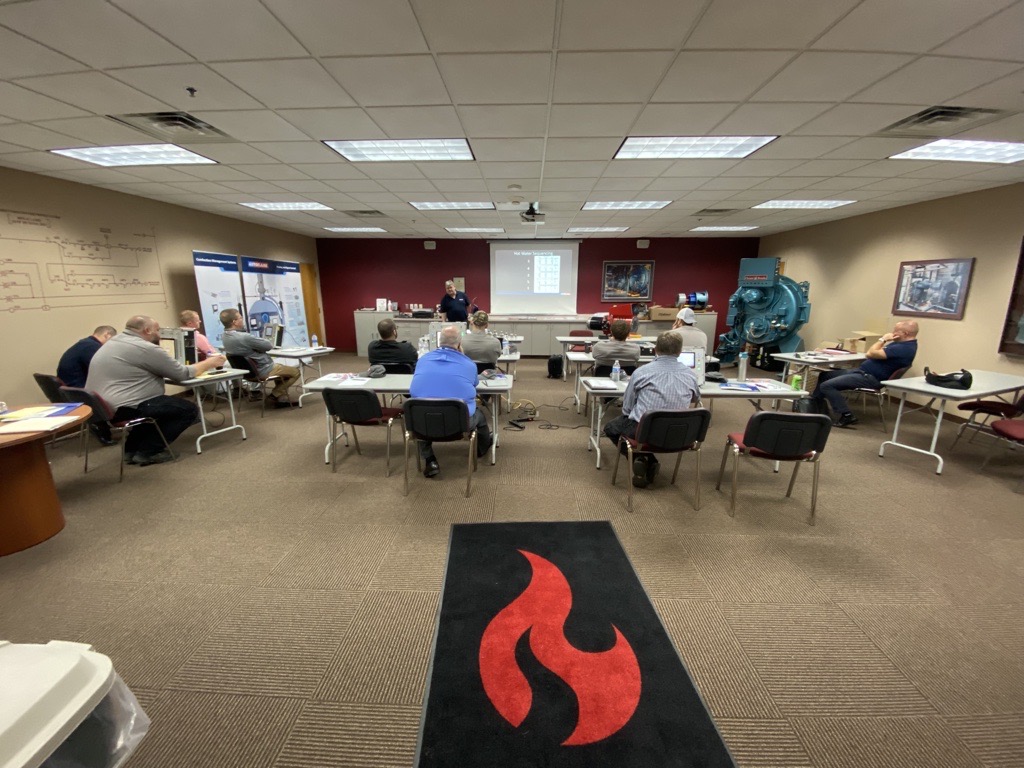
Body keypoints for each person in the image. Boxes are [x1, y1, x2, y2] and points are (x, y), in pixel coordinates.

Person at [85, 315, 226, 465]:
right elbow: (182, 374)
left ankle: (131, 450)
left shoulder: (114, 342)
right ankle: (149, 451)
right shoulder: (145, 348)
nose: (160, 335)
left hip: (102, 406)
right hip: (125, 406)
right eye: (158, 330)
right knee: (188, 410)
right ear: (147, 330)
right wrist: (210, 362)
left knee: (158, 408)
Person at [603, 332, 701, 489]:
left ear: (655, 349)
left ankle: (643, 459)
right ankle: (647, 461)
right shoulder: (690, 375)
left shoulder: (642, 372)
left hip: (645, 431)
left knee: (610, 428)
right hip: (681, 433)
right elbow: (695, 400)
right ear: (680, 351)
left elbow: (627, 408)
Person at [409, 324, 493, 478]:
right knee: (480, 415)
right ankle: (482, 449)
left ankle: (430, 460)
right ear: (459, 344)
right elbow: (474, 384)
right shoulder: (468, 364)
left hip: (424, 422)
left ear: (438, 342)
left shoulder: (423, 360)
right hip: (459, 423)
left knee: (421, 413)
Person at [811, 319, 919, 427]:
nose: (892, 333)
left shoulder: (903, 348)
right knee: (825, 375)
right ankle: (815, 406)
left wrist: (883, 339)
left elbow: (870, 354)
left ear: (905, 333)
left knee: (827, 386)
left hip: (870, 378)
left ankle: (847, 415)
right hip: (862, 372)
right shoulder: (902, 344)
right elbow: (875, 352)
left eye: (895, 330)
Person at [219, 308, 300, 408]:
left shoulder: (224, 337)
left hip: (247, 373)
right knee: (295, 372)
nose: (242, 319)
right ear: (234, 322)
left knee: (282, 370)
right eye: (240, 317)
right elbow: (268, 345)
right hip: (263, 369)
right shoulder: (244, 337)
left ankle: (281, 398)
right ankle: (274, 395)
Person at [57, 325, 118, 445]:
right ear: (107, 335)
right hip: (81, 392)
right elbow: (104, 370)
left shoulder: (84, 344)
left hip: (71, 391)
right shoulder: (92, 347)